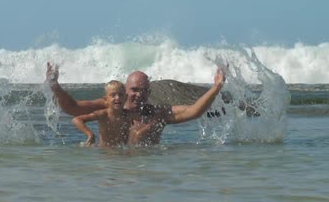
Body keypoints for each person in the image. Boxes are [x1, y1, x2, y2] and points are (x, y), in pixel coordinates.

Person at [46, 62, 226, 146]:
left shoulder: (157, 114)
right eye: (134, 90)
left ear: (149, 93)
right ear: (125, 91)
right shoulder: (108, 107)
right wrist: (55, 86)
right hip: (111, 170)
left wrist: (216, 87)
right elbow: (73, 108)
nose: (139, 95)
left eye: (143, 91)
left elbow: (194, 111)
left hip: (145, 169)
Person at [72, 80, 131, 147]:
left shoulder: (128, 115)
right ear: (105, 99)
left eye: (120, 95)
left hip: (122, 153)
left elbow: (144, 120)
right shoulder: (103, 114)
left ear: (126, 98)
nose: (117, 98)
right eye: (113, 95)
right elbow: (76, 120)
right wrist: (90, 134)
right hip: (104, 153)